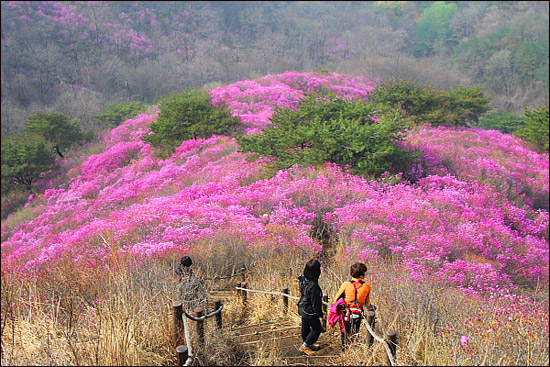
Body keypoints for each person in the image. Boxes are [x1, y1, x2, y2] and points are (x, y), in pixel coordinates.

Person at [334, 262, 371, 348]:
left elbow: (336, 299)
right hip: (358, 311)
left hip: (346, 311)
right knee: (355, 331)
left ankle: (345, 348)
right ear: (362, 275)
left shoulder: (346, 284)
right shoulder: (367, 286)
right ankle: (353, 347)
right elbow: (367, 303)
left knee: (345, 331)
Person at [297, 259, 324, 356]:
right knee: (317, 329)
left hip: (303, 307)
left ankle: (308, 344)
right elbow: (316, 303)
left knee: (305, 326)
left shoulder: (304, 279)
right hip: (310, 311)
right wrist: (320, 315)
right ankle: (305, 346)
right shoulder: (313, 286)